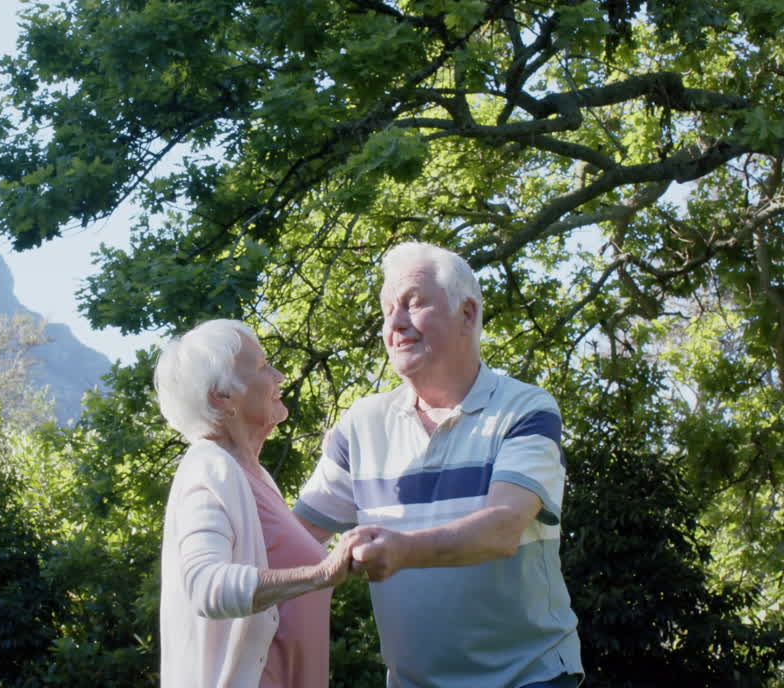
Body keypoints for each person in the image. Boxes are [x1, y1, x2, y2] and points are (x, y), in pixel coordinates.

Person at [293, 242, 584, 688]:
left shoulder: (524, 409)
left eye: (412, 304)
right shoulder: (361, 425)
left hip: (530, 677)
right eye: (388, 310)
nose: (394, 324)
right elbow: (295, 542)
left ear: (468, 313)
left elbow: (502, 529)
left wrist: (402, 551)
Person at [156, 319, 366, 688]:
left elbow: (289, 551)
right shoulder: (208, 467)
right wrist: (320, 574)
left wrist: (342, 457)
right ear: (220, 397)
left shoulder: (254, 478)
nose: (279, 375)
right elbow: (206, 586)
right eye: (262, 367)